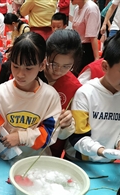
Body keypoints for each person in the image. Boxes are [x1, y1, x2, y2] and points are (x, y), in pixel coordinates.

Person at [0, 32, 62, 160]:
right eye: (15, 66)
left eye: (28, 68)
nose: (20, 74)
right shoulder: (0, 93)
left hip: (35, 161)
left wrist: (20, 137)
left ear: (42, 65)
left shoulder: (50, 96)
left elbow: (50, 132)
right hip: (3, 159)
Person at [66, 32, 120, 164]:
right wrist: (102, 151)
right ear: (105, 66)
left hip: (108, 162)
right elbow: (77, 137)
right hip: (79, 160)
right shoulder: (86, 93)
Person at [41, 29, 82, 158]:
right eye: (53, 64)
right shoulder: (31, 73)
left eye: (66, 66)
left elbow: (71, 127)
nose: (58, 71)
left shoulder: (74, 87)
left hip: (52, 151)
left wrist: (69, 122)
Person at [71, 0, 100, 76]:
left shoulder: (91, 8)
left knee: (82, 76)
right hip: (78, 47)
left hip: (87, 49)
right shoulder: (77, 8)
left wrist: (96, 59)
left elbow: (92, 36)